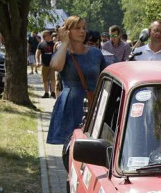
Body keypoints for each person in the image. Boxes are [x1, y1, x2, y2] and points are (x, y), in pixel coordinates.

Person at [46, 16, 109, 145]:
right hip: (71, 104)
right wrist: (64, 43)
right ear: (67, 31)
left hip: (93, 103)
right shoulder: (63, 52)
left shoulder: (96, 53)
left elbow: (105, 77)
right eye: (77, 28)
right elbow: (56, 66)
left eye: (84, 28)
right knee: (70, 147)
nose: (82, 31)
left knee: (92, 145)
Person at [36, 29, 57, 98]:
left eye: (45, 35)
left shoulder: (54, 44)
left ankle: (53, 92)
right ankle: (46, 93)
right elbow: (37, 54)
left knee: (53, 78)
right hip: (44, 64)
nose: (44, 37)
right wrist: (37, 61)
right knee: (44, 79)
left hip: (52, 65)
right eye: (43, 36)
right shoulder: (41, 44)